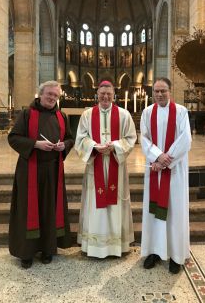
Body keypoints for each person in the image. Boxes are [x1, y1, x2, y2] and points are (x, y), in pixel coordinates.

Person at [8, 81, 74, 269]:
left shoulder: (62, 116)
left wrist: (64, 146)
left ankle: (47, 249)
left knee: (49, 209)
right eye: (49, 94)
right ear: (40, 94)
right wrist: (36, 144)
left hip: (53, 170)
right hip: (30, 170)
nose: (52, 98)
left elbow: (70, 138)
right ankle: (26, 253)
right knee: (28, 209)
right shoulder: (28, 114)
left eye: (56, 95)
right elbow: (13, 138)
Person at [75, 80, 137, 258]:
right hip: (95, 165)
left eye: (109, 94)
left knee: (115, 203)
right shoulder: (87, 115)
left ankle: (117, 245)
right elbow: (80, 138)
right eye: (102, 94)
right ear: (97, 95)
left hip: (116, 165)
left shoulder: (124, 115)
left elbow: (131, 138)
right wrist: (94, 146)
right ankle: (94, 246)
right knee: (96, 204)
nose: (105, 97)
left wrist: (115, 146)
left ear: (113, 95)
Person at [140, 77, 191, 274]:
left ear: (170, 91)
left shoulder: (180, 112)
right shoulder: (147, 112)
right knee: (154, 212)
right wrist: (157, 157)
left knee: (175, 211)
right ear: (152, 93)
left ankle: (176, 255)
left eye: (163, 91)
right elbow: (143, 138)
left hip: (174, 171)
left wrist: (165, 159)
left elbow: (185, 139)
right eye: (156, 91)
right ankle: (153, 251)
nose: (159, 94)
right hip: (155, 170)